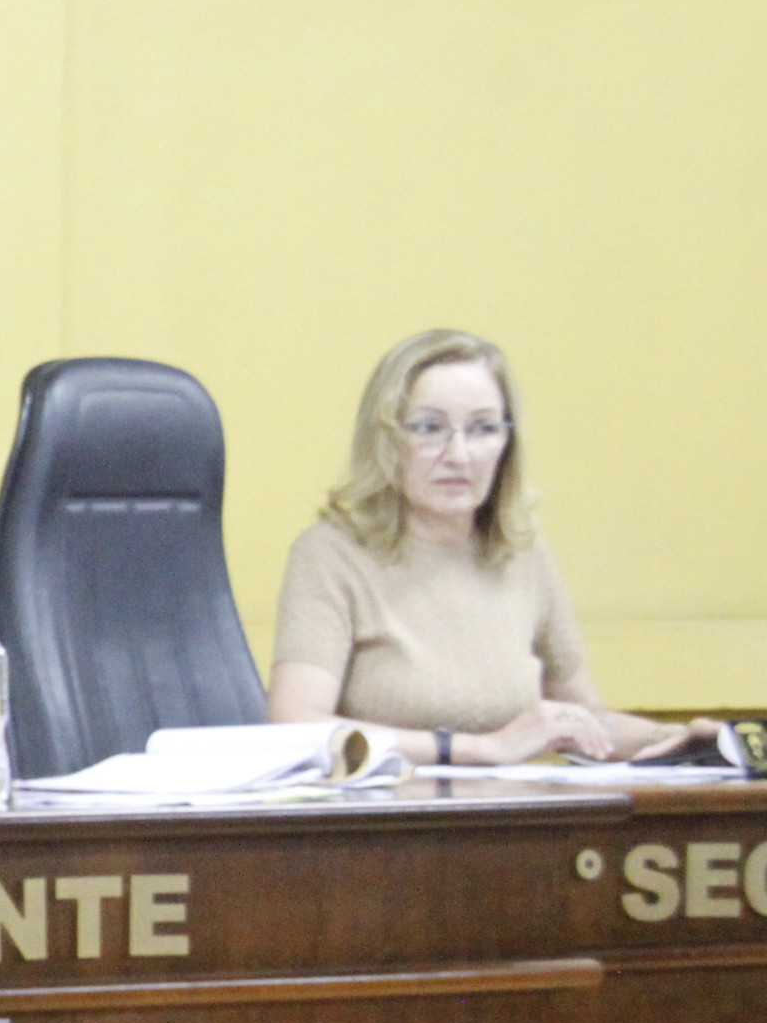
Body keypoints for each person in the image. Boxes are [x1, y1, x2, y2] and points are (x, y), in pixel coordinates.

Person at [267, 328, 716, 767]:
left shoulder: (520, 552)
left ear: (507, 442)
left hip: (508, 823)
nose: (459, 455)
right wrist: (476, 750)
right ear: (385, 439)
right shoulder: (332, 554)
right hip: (386, 827)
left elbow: (585, 719)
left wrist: (672, 738)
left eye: (483, 428)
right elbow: (296, 724)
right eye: (429, 428)